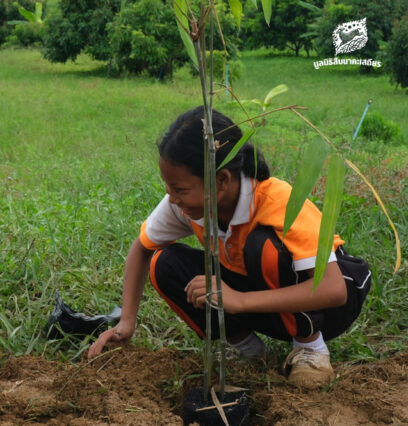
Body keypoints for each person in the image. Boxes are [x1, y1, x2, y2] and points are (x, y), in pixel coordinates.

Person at [87, 106, 371, 389]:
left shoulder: (279, 203)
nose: (172, 199)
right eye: (168, 188)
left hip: (331, 304)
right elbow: (141, 249)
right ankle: (248, 350)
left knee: (262, 248)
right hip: (267, 301)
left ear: (221, 180)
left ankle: (310, 348)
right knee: (164, 263)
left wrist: (239, 300)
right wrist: (126, 322)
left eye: (180, 189)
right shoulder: (185, 205)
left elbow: (333, 290)